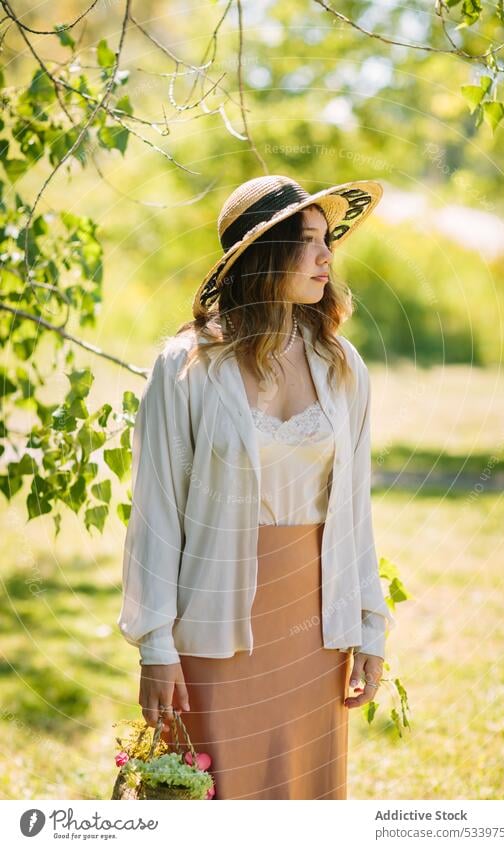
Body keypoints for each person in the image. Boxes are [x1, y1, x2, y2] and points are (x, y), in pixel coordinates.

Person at [117, 174, 396, 800]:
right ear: (263, 255)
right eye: (307, 241)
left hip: (316, 630)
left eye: (328, 240)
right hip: (212, 626)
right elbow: (157, 511)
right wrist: (154, 645)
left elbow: (354, 513)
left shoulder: (341, 363)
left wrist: (369, 629)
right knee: (217, 803)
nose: (326, 256)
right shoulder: (187, 365)